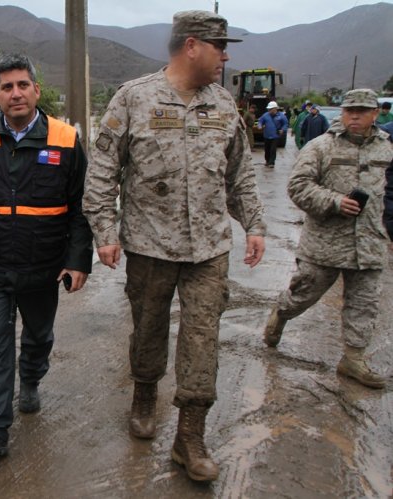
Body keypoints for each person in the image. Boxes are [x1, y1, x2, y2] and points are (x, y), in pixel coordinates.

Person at [83, 10, 266, 483]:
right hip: (149, 246)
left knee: (203, 338)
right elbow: (102, 172)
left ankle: (190, 435)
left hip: (209, 248)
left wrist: (255, 225)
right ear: (191, 46)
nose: (225, 56)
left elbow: (240, 173)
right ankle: (145, 393)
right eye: (219, 46)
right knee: (148, 330)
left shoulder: (225, 105)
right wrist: (105, 233)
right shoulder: (134, 98)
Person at [0, 54, 93, 458]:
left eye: (22, 85)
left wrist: (78, 259)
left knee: (37, 336)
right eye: (7, 87)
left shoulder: (66, 140)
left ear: (36, 89)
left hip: (43, 265)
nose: (15, 93)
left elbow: (80, 207)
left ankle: (31, 379)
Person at [263, 89, 393, 389]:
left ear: (376, 114)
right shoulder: (320, 147)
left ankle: (353, 358)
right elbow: (297, 187)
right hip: (325, 244)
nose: (355, 117)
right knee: (303, 295)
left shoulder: (387, 149)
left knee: (364, 304)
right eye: (350, 111)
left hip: (370, 244)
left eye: (362, 111)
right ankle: (281, 314)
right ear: (343, 113)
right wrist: (334, 201)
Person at [257, 101, 288, 167]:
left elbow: (285, 124)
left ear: (275, 109)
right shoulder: (265, 115)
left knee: (273, 149)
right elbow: (260, 121)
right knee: (267, 149)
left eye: (271, 109)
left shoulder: (281, 116)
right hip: (267, 135)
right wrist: (259, 126)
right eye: (269, 109)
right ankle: (267, 160)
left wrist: (283, 129)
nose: (269, 110)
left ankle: (272, 163)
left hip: (275, 136)